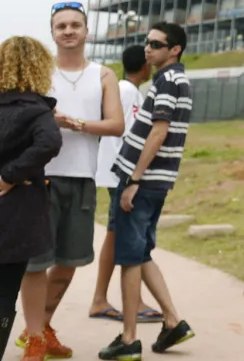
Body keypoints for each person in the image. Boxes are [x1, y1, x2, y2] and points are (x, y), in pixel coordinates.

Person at [16, 1, 125, 360]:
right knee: (36, 263)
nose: (68, 30)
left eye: (75, 24)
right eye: (61, 25)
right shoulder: (41, 74)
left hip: (82, 180)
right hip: (41, 179)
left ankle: (41, 326)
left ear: (86, 30)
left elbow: (116, 124)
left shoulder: (103, 75)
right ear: (52, 32)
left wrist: (72, 122)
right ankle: (34, 337)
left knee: (70, 260)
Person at [99, 23, 196, 360]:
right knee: (140, 252)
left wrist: (134, 180)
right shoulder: (174, 80)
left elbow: (158, 133)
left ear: (175, 49)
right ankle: (172, 321)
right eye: (146, 43)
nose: (148, 49)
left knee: (128, 258)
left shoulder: (168, 81)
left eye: (156, 44)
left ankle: (128, 339)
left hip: (144, 181)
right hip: (157, 181)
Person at [90, 44, 163, 324]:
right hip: (122, 174)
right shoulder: (129, 91)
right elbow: (134, 137)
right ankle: (115, 299)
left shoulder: (120, 88)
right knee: (129, 237)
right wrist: (136, 177)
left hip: (114, 171)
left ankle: (101, 297)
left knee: (114, 233)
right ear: (144, 66)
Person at [0, 36, 63, 361]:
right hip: (18, 212)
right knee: (5, 291)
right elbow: (49, 144)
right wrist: (10, 176)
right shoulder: (37, 111)